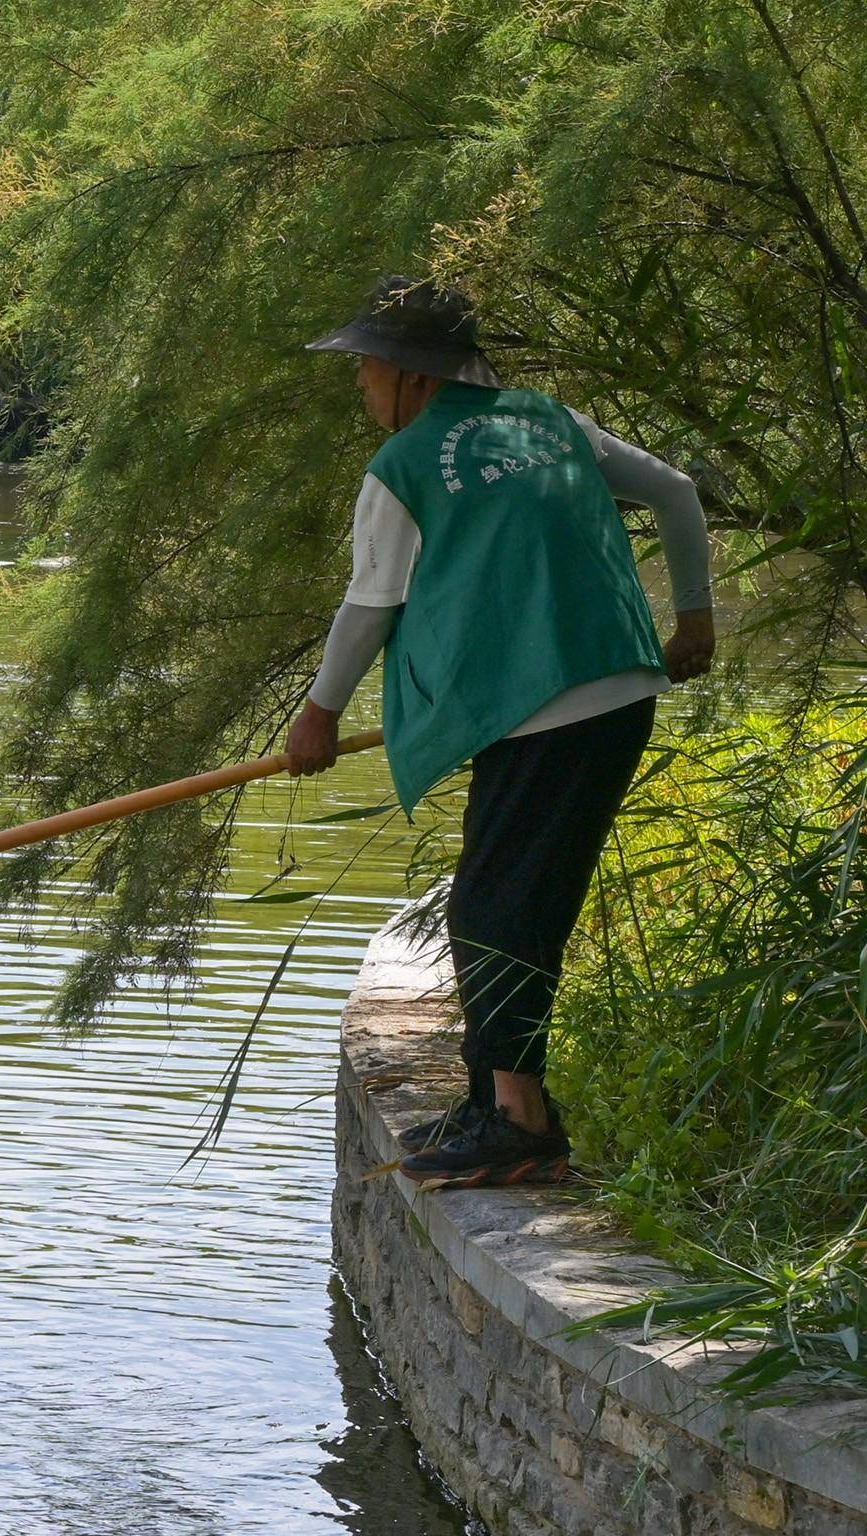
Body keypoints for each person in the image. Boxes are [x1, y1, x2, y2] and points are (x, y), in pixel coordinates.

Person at [282, 277, 716, 1188]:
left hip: (545, 708)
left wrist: (319, 713)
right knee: (511, 893)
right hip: (618, 686)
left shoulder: (402, 467)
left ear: (411, 376)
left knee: (497, 908)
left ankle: (522, 1123)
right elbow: (677, 493)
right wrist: (693, 621)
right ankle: (495, 1101)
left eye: (366, 368)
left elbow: (371, 606)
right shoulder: (551, 421)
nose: (361, 386)